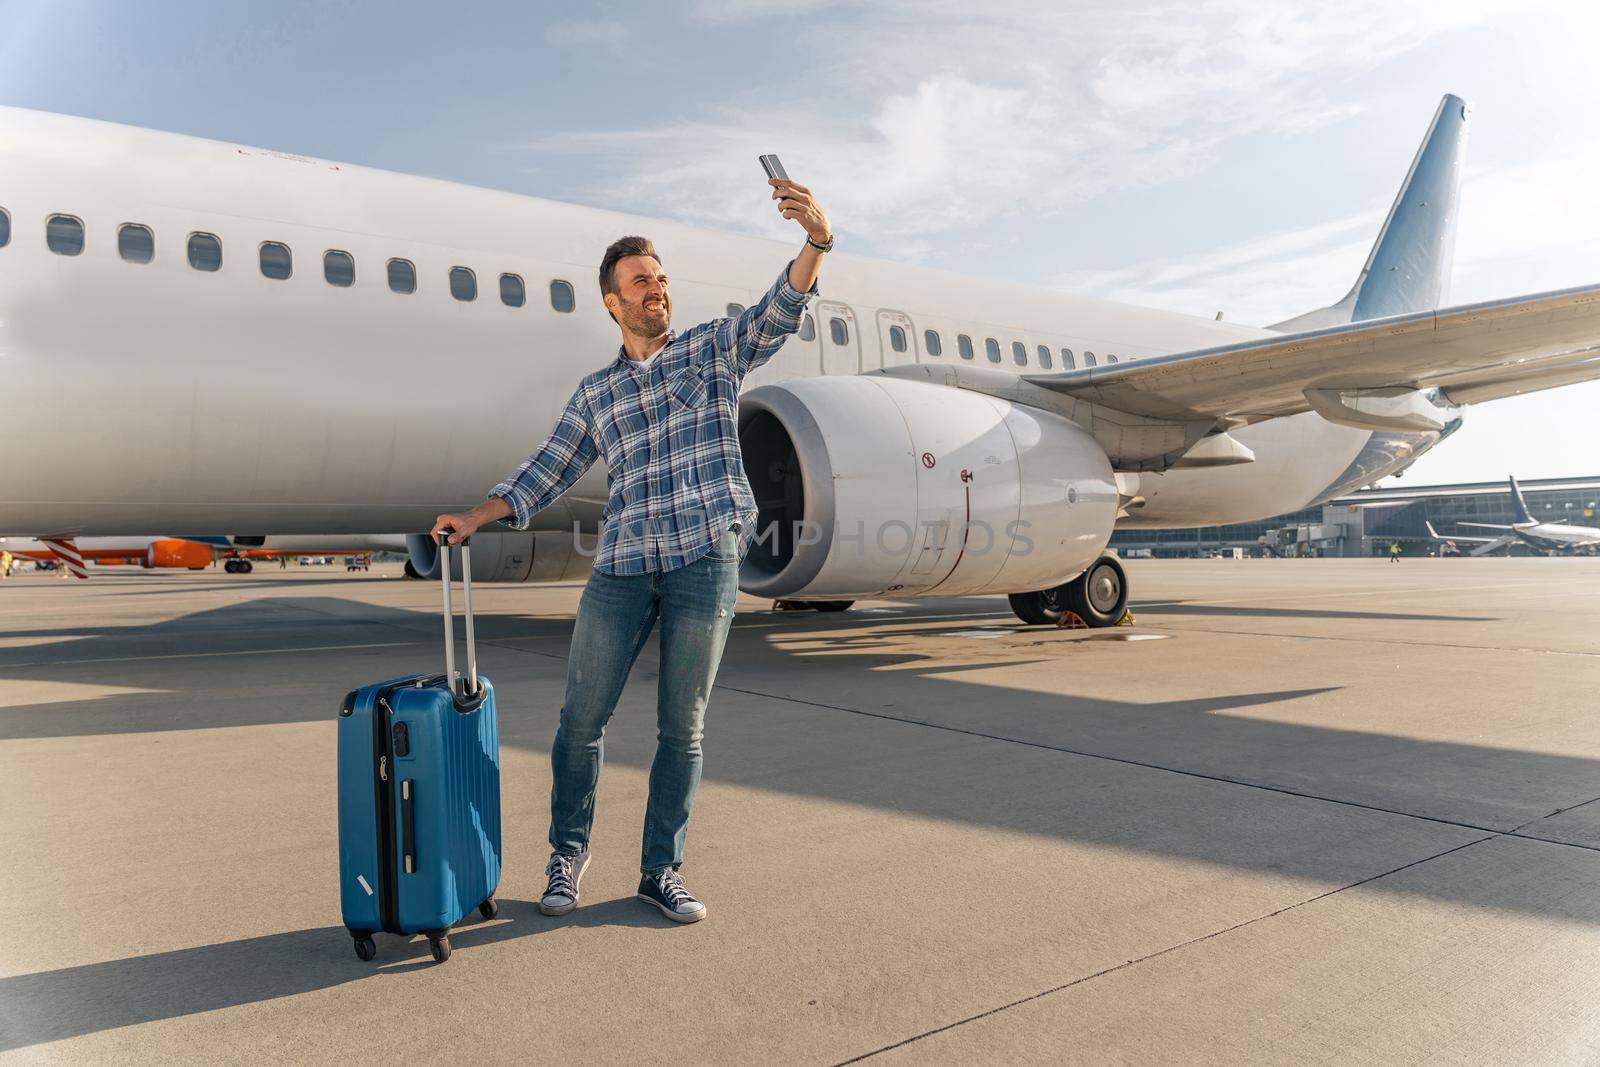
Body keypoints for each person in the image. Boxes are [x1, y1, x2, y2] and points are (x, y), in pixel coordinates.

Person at [433, 174, 831, 924]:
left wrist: (814, 241)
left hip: (703, 559)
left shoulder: (710, 350)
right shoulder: (595, 394)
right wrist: (478, 514)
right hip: (621, 565)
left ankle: (660, 868)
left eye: (661, 278)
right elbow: (547, 467)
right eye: (640, 281)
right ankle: (567, 851)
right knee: (579, 720)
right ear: (612, 303)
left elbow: (778, 312)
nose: (657, 289)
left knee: (683, 727)